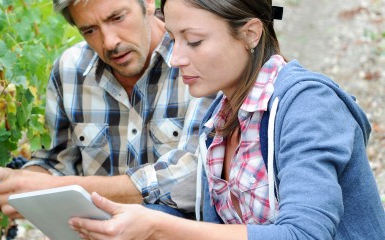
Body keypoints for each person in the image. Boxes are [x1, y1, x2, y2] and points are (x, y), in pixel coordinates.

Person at [68, 0, 385, 239]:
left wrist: (158, 225)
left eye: (193, 41)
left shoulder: (309, 106)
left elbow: (304, 233)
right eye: (173, 39)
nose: (177, 58)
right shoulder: (219, 116)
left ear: (250, 33)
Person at [0, 0, 214, 219]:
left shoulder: (196, 64)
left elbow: (191, 181)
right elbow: (56, 164)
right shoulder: (70, 70)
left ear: (148, 3)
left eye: (117, 18)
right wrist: (14, 184)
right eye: (90, 30)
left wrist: (56, 187)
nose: (109, 42)